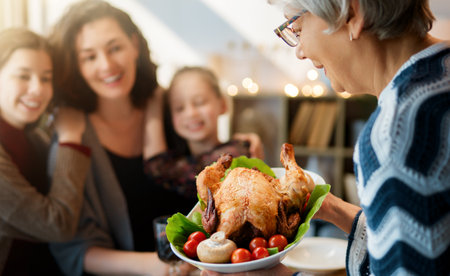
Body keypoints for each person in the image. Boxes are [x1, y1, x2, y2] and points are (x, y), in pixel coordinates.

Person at [203, 0, 450, 275]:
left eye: (296, 26)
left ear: (353, 14)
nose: (299, 51)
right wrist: (333, 209)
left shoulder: (397, 130)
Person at [47, 1, 263, 275]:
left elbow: (210, 164)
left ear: (134, 45)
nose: (107, 64)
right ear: (76, 65)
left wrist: (240, 145)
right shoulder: (72, 135)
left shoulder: (169, 106)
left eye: (115, 48)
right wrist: (162, 267)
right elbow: (74, 250)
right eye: (89, 57)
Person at [0, 28, 90, 275]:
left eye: (46, 78)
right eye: (22, 76)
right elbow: (58, 226)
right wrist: (71, 138)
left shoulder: (34, 136)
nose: (37, 89)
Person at [144, 66, 264, 214]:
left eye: (200, 102)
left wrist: (154, 98)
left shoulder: (238, 151)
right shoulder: (177, 160)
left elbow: (157, 166)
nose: (191, 113)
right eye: (179, 108)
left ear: (223, 105)